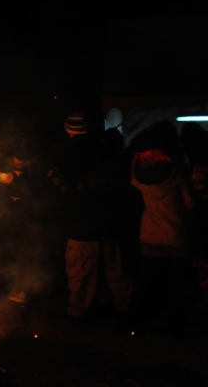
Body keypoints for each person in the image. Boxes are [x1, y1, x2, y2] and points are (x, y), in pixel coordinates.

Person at [52, 111, 132, 319]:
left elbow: (59, 189)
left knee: (81, 272)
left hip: (81, 225)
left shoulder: (65, 154)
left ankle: (79, 311)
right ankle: (125, 310)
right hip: (112, 223)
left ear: (69, 129)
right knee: (116, 272)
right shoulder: (108, 149)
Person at [128, 122, 197, 332]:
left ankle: (133, 319)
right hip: (175, 234)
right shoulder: (176, 172)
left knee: (145, 280)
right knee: (177, 283)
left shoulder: (138, 169)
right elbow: (191, 204)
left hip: (149, 233)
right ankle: (175, 325)